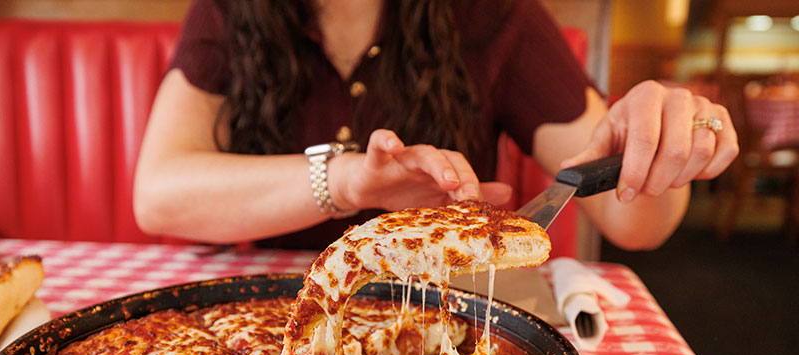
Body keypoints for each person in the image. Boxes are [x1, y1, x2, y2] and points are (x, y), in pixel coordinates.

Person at [133, 0, 739, 252]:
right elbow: (158, 196)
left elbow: (633, 223)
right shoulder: (230, 10)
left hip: (448, 343)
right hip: (254, 341)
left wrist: (662, 143)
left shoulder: (492, 13)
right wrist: (345, 182)